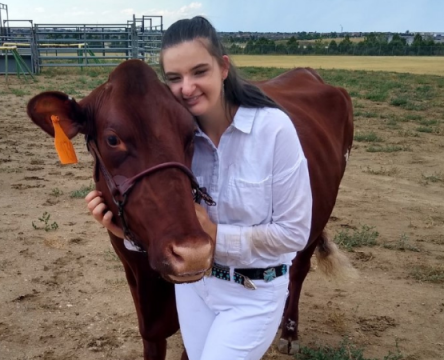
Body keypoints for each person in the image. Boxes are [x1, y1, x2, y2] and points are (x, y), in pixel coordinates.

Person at [85, 16, 312, 360]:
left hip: (253, 291)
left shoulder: (273, 129)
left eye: (199, 72)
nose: (186, 88)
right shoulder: (177, 138)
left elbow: (294, 234)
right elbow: (169, 217)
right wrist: (122, 231)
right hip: (195, 289)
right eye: (175, 78)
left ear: (223, 67)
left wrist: (216, 234)